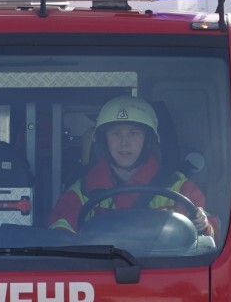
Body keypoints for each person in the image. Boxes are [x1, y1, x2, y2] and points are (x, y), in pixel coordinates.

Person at [48, 98, 213, 237]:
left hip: (160, 271)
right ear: (104, 141)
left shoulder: (180, 187)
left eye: (133, 133)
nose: (124, 142)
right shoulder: (82, 191)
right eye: (115, 133)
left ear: (148, 141)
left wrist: (202, 224)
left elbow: (211, 236)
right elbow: (59, 234)